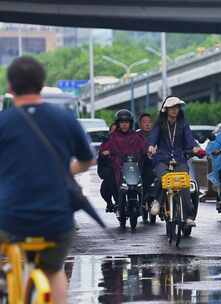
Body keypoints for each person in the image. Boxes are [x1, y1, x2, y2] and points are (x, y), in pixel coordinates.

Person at [0, 56, 95, 304]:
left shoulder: (3, 122)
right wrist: (65, 171)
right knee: (54, 271)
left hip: (11, 220)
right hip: (56, 219)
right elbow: (87, 160)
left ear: (10, 88)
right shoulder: (65, 119)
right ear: (42, 85)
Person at [147, 96, 203, 226]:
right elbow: (153, 138)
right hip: (162, 158)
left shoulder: (183, 123)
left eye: (176, 107)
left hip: (179, 159)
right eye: (171, 107)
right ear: (166, 109)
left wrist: (196, 148)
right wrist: (151, 146)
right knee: (163, 178)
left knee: (184, 183)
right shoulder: (159, 123)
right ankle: (157, 201)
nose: (174, 110)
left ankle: (189, 216)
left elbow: (189, 140)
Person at [99, 110, 148, 196]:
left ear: (130, 123)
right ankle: (117, 203)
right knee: (109, 181)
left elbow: (144, 147)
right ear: (118, 123)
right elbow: (104, 149)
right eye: (122, 122)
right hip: (118, 169)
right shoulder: (112, 137)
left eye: (126, 122)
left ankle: (145, 203)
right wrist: (105, 153)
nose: (124, 124)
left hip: (135, 169)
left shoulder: (136, 136)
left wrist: (148, 151)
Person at [98, 123, 119, 212]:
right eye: (112, 131)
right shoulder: (105, 143)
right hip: (109, 171)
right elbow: (101, 158)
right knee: (107, 185)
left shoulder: (129, 141)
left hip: (125, 169)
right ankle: (112, 203)